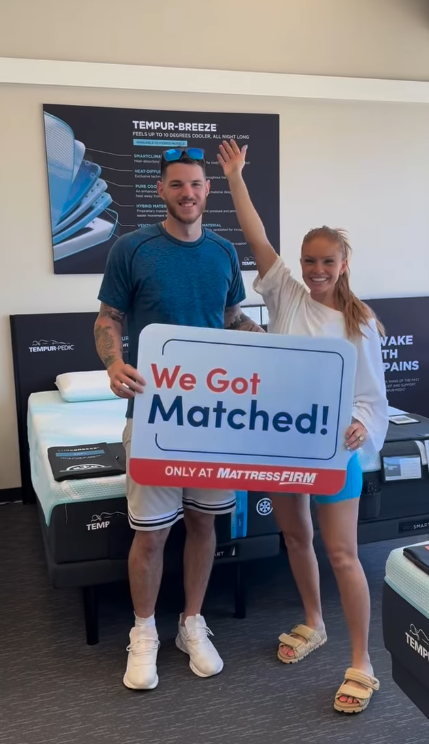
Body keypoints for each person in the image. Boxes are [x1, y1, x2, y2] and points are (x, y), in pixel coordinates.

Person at [217, 139, 389, 714]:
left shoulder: (361, 323)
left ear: (344, 265)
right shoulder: (286, 295)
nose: (316, 270)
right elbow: (255, 236)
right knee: (295, 537)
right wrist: (237, 177)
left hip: (334, 450)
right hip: (281, 443)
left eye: (327, 261)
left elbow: (370, 395)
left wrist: (362, 424)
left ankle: (362, 661)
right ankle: (314, 623)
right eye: (309, 259)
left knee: (343, 553)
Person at [94, 146, 263, 691]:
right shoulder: (132, 248)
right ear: (161, 190)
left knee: (203, 523)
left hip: (214, 419)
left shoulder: (222, 252)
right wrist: (115, 362)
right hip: (153, 415)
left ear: (207, 190)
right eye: (177, 185)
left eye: (196, 185)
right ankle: (144, 632)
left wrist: (260, 342)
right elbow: (108, 318)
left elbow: (231, 316)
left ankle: (192, 622)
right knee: (150, 535)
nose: (187, 193)